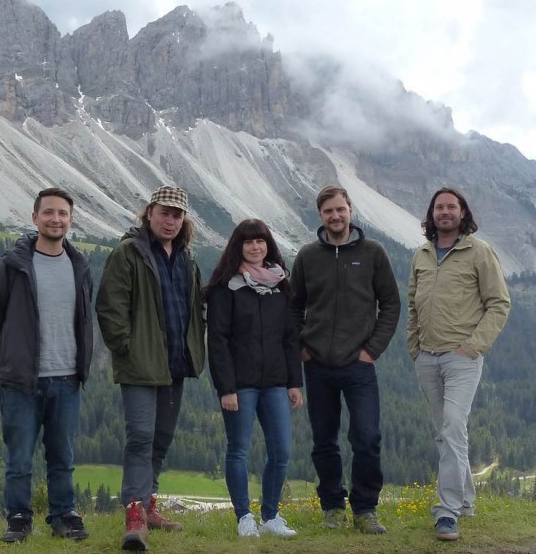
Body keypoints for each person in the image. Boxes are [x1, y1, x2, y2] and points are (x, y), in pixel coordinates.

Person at [0, 187, 93, 543]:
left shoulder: (78, 265)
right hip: (20, 382)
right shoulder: (11, 266)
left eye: (62, 214)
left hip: (67, 378)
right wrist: (14, 353)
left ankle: (64, 516)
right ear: (35, 217)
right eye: (49, 212)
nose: (56, 219)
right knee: (19, 459)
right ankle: (18, 519)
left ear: (70, 220)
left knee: (63, 457)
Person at [96, 185, 205, 551]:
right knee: (141, 437)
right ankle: (134, 515)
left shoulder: (187, 258)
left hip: (175, 365)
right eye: (164, 213)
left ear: (183, 220)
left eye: (177, 215)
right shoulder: (130, 252)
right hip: (141, 365)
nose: (170, 220)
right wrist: (126, 349)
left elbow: (195, 307)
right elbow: (110, 305)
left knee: (160, 439)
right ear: (149, 213)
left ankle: (149, 505)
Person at [289, 185, 400, 534]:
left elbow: (391, 304)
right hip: (317, 364)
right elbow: (293, 307)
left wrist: (372, 350)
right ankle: (333, 507)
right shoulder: (308, 256)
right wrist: (303, 347)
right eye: (328, 211)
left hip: (359, 364)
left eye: (340, 209)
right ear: (320, 216)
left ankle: (365, 509)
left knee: (367, 437)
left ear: (351, 210)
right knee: (324, 440)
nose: (335, 216)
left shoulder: (373, 252)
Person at [407, 187, 510, 542]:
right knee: (446, 431)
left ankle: (446, 512)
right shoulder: (421, 254)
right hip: (427, 357)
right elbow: (412, 303)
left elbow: (499, 303)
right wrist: (414, 346)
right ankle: (465, 500)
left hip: (461, 358)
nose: (445, 212)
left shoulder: (479, 252)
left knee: (452, 426)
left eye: (452, 206)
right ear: (431, 213)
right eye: (439, 207)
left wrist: (473, 347)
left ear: (463, 213)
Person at [206, 219, 304, 538]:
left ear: (268, 245)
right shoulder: (226, 287)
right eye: (248, 242)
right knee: (239, 450)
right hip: (240, 385)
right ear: (238, 246)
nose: (255, 247)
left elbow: (290, 338)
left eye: (260, 241)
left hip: (276, 382)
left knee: (281, 451)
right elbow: (218, 340)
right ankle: (244, 517)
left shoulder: (280, 286)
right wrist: (226, 388)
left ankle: (271, 517)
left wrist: (294, 383)